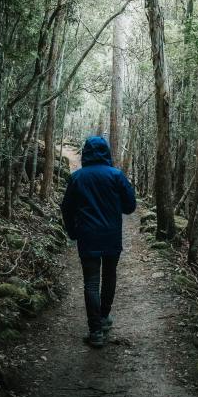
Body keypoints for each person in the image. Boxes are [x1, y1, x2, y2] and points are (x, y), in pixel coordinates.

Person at [60, 136, 136, 348]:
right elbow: (130, 207)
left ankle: (95, 332)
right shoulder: (116, 176)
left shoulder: (77, 178)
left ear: (86, 153)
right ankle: (103, 318)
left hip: (88, 236)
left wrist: (73, 232)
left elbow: (66, 208)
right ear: (106, 152)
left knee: (91, 282)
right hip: (111, 236)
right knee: (109, 276)